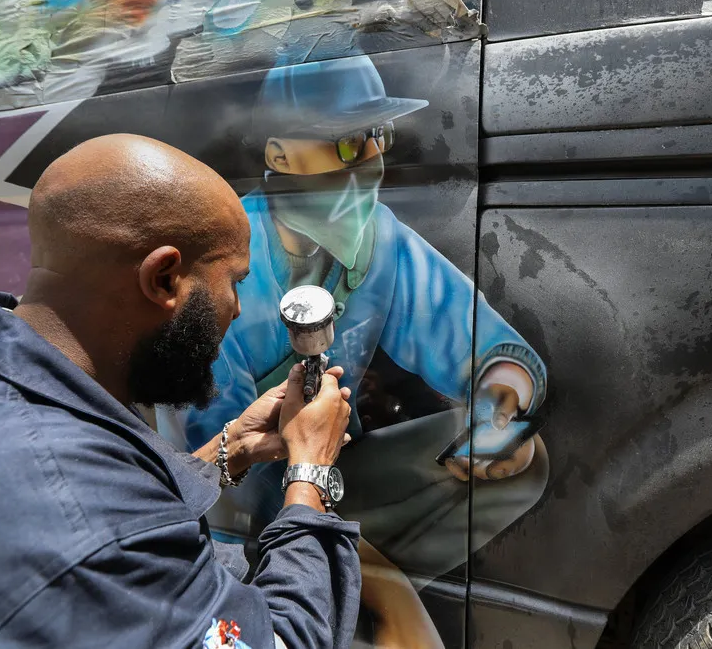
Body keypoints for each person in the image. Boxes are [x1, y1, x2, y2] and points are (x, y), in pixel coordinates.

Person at [157, 55, 549, 646]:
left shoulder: (379, 236)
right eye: (344, 146)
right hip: (236, 513)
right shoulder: (227, 272)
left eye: (377, 137)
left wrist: (499, 403)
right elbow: (222, 477)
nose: (369, 162)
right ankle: (311, 604)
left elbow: (471, 334)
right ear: (280, 155)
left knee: (525, 460)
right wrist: (384, 585)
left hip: (331, 469)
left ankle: (341, 598)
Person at [0, 134, 361, 649]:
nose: (237, 309)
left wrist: (233, 450)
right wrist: (309, 473)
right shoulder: (102, 530)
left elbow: (112, 495)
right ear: (165, 278)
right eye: (234, 282)